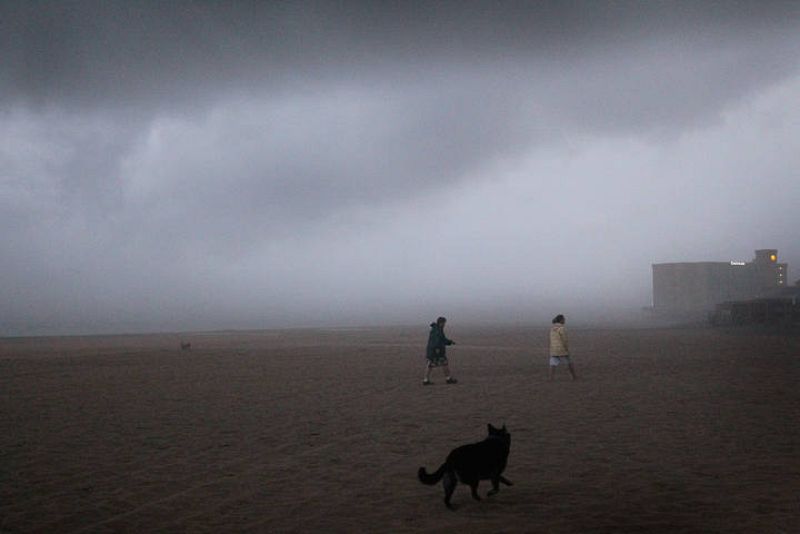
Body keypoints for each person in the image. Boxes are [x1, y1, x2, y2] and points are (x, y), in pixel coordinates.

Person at [423, 316, 457, 385]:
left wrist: (450, 342)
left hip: (432, 351)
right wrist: (437, 349)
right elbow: (437, 341)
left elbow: (443, 339)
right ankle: (448, 379)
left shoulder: (436, 329)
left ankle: (426, 380)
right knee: (444, 363)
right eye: (444, 323)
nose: (445, 324)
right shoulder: (437, 330)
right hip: (436, 351)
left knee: (430, 365)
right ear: (441, 323)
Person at [549, 314, 576, 381]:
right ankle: (573, 376)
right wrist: (566, 348)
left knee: (553, 364)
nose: (564, 320)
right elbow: (564, 339)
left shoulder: (552, 329)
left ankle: (551, 378)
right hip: (561, 348)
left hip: (553, 348)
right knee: (568, 363)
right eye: (564, 319)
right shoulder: (561, 328)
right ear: (561, 320)